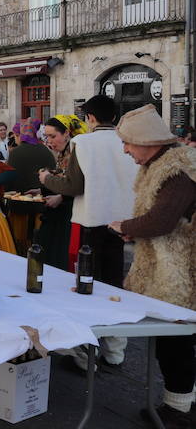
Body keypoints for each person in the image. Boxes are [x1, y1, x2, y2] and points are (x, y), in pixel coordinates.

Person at [109, 105, 196, 428]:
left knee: (176, 340)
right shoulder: (164, 163)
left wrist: (123, 225)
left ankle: (178, 409)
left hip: (179, 271)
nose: (126, 150)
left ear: (147, 141)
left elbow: (163, 219)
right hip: (169, 264)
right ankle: (186, 400)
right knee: (176, 339)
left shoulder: (175, 168)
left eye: (128, 143)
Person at [37, 94, 137, 371]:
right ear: (114, 117)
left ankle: (85, 352)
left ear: (90, 118)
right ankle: (116, 351)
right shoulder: (127, 141)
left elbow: (73, 186)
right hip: (121, 221)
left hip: (91, 221)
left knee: (86, 286)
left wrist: (48, 179)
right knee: (114, 284)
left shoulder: (82, 142)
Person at [31, 115, 88, 270]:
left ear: (66, 134)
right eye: (47, 136)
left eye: (53, 136)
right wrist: (41, 190)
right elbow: (63, 178)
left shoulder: (76, 152)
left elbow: (78, 185)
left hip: (71, 216)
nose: (49, 141)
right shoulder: (64, 153)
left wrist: (61, 197)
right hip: (60, 214)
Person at [7, 118, 55, 192]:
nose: (15, 139)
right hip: (45, 196)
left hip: (20, 197)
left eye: (16, 135)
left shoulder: (16, 152)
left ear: (20, 135)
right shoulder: (45, 149)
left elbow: (10, 178)